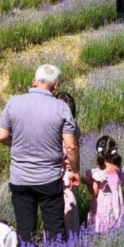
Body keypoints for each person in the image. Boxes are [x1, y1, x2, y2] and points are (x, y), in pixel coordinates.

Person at [0, 64, 80, 245]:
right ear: (56, 86)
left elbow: (1, 136)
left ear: (33, 81)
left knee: (25, 230)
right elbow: (71, 146)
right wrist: (75, 170)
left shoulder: (14, 102)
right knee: (55, 230)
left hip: (19, 178)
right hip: (48, 179)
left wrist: (16, 143)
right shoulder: (61, 108)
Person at [85, 136, 124, 233]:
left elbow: (94, 193)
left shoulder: (98, 173)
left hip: (102, 206)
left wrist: (87, 183)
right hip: (116, 204)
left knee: (102, 230)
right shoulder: (118, 169)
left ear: (97, 153)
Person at [56, 92, 80, 236]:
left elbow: (74, 148)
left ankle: (71, 241)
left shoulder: (73, 128)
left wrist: (73, 167)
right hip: (59, 172)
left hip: (66, 174)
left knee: (68, 207)